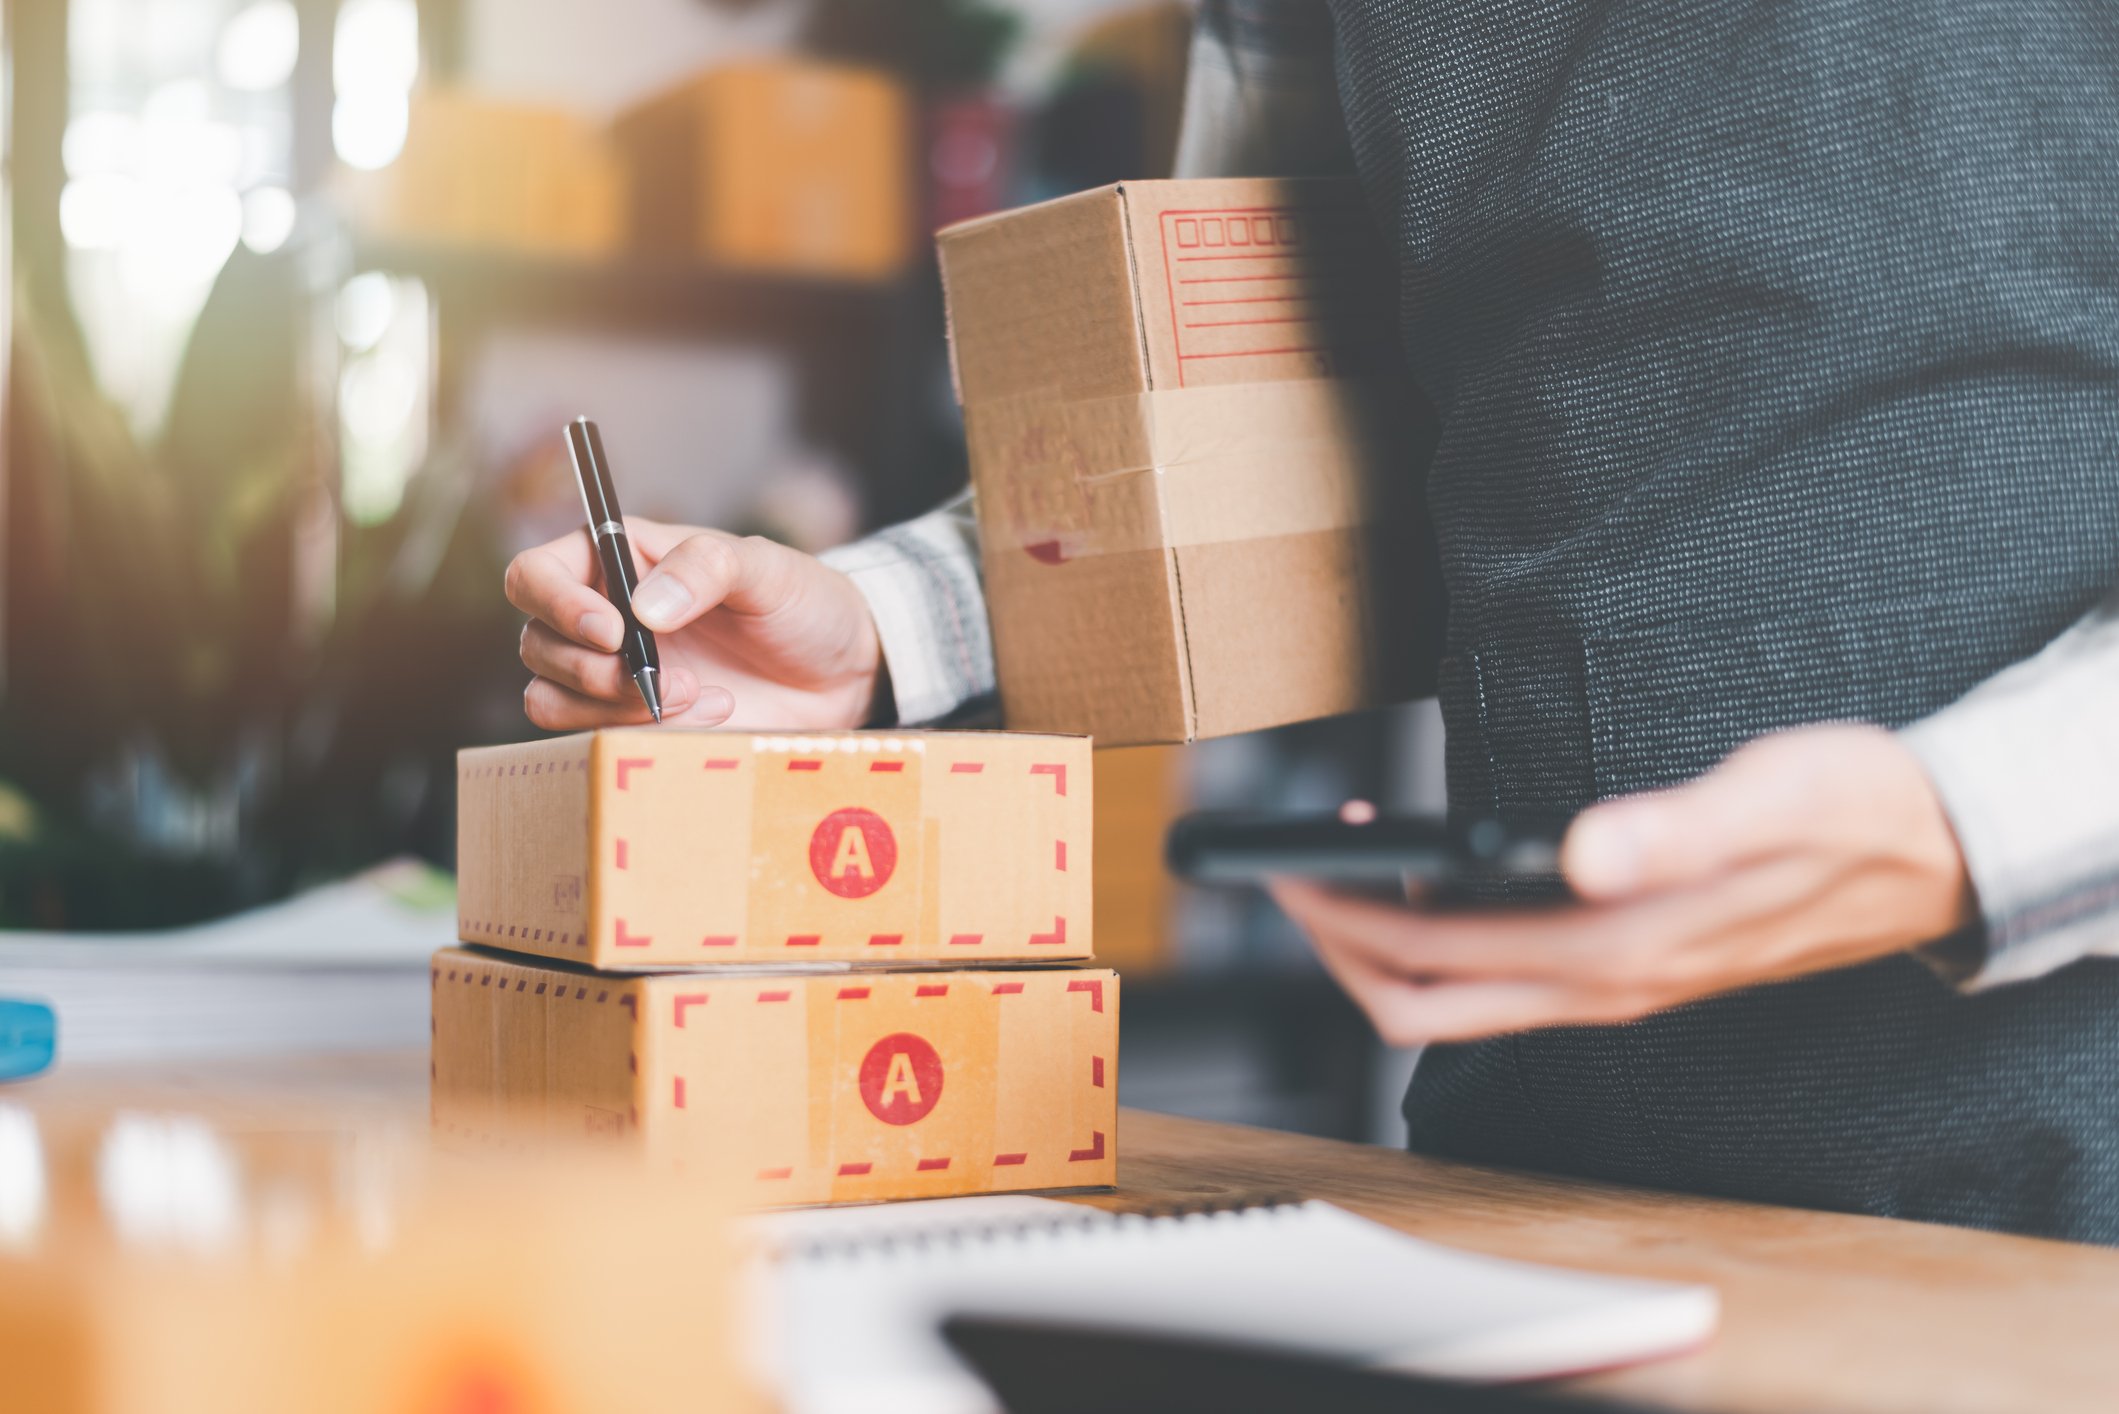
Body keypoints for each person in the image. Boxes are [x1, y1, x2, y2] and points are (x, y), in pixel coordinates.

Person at [506, 2, 2119, 1242]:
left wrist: (1955, 826)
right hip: (1537, 1173)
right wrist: (890, 623)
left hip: (2061, 1188)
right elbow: (1274, 385)